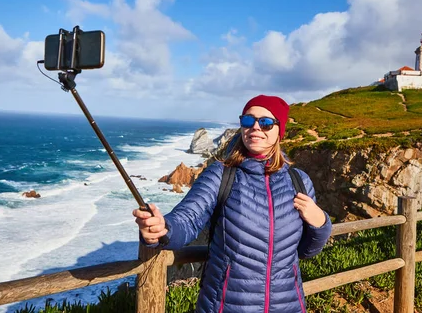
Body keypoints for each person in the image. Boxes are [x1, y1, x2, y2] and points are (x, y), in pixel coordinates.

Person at [133, 94, 332, 313]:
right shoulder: (221, 174)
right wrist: (162, 230)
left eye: (265, 123)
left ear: (279, 130)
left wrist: (321, 223)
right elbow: (188, 219)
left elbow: (305, 251)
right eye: (248, 120)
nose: (255, 127)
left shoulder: (299, 181)